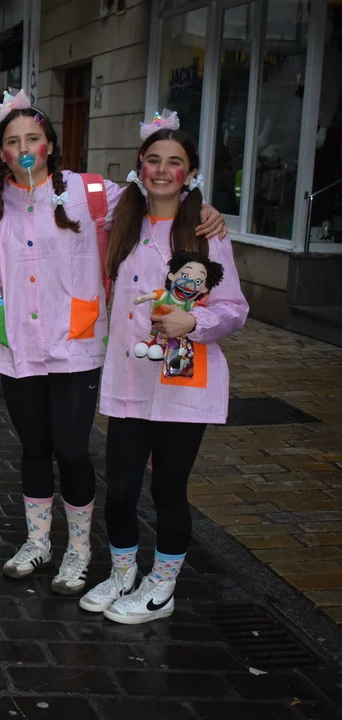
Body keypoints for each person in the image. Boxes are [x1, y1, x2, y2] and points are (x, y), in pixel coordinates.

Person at [0, 90, 227, 597]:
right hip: (18, 346)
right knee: (33, 448)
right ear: (1, 152)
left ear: (51, 144)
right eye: (12, 141)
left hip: (75, 344)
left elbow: (158, 198)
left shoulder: (93, 193)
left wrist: (204, 210)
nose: (24, 148)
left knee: (73, 450)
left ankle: (79, 550)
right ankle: (37, 542)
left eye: (33, 137)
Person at [80, 114, 247, 624]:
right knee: (121, 489)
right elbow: (62, 188)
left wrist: (193, 321)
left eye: (174, 162)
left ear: (190, 172)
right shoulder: (121, 221)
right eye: (153, 159)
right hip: (131, 377)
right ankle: (123, 572)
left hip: (183, 381)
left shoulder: (205, 233)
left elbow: (234, 308)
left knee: (168, 489)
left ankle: (163, 585)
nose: (161, 169)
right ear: (139, 165)